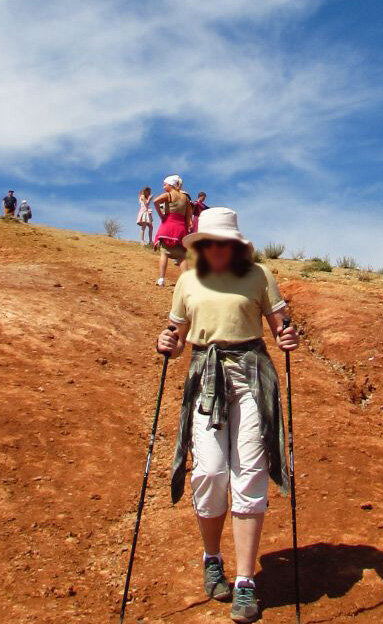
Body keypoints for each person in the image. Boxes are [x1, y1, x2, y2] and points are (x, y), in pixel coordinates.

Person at [155, 207, 300, 623]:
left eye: (224, 242)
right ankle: (212, 556)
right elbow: (177, 339)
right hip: (205, 374)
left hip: (253, 372)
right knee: (211, 471)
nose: (217, 248)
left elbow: (279, 328)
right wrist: (166, 344)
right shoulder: (186, 281)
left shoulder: (259, 277)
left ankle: (245, 582)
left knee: (250, 470)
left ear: (236, 246)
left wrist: (289, 335)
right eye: (209, 242)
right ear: (200, 246)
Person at [152, 175, 192, 286]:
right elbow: (188, 215)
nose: (163, 186)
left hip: (169, 224)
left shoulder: (169, 194)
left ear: (170, 185)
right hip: (181, 228)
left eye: (165, 184)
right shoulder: (186, 198)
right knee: (181, 256)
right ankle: (187, 282)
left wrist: (161, 215)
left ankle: (161, 279)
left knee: (164, 253)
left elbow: (155, 201)